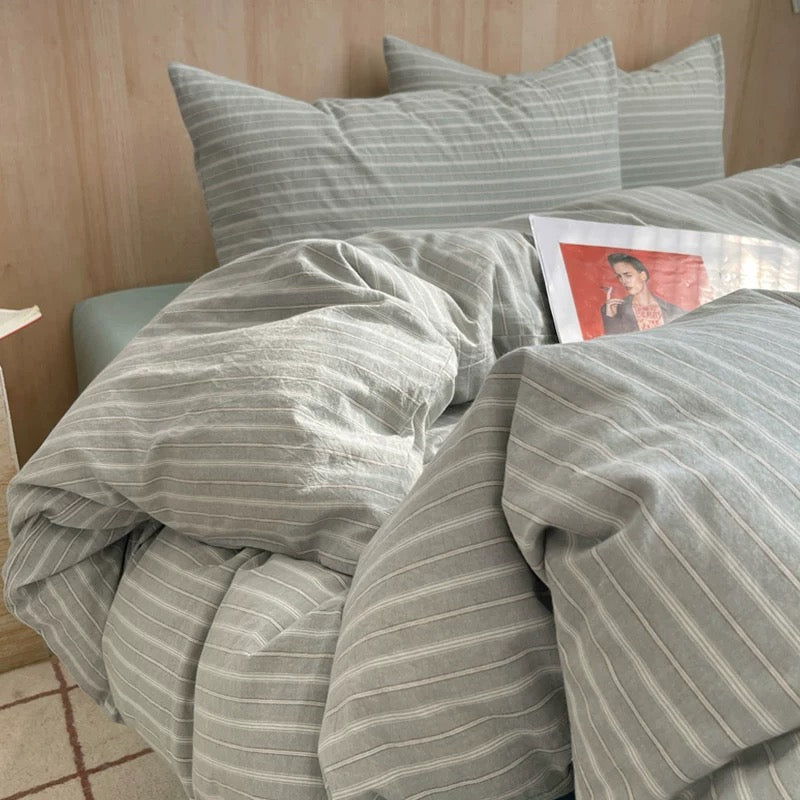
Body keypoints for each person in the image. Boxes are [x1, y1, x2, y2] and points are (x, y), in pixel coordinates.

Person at [601, 252, 686, 335]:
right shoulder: (616, 309)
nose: (623, 281)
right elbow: (613, 342)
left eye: (628, 275)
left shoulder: (673, 311)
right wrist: (611, 318)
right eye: (619, 276)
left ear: (643, 276)